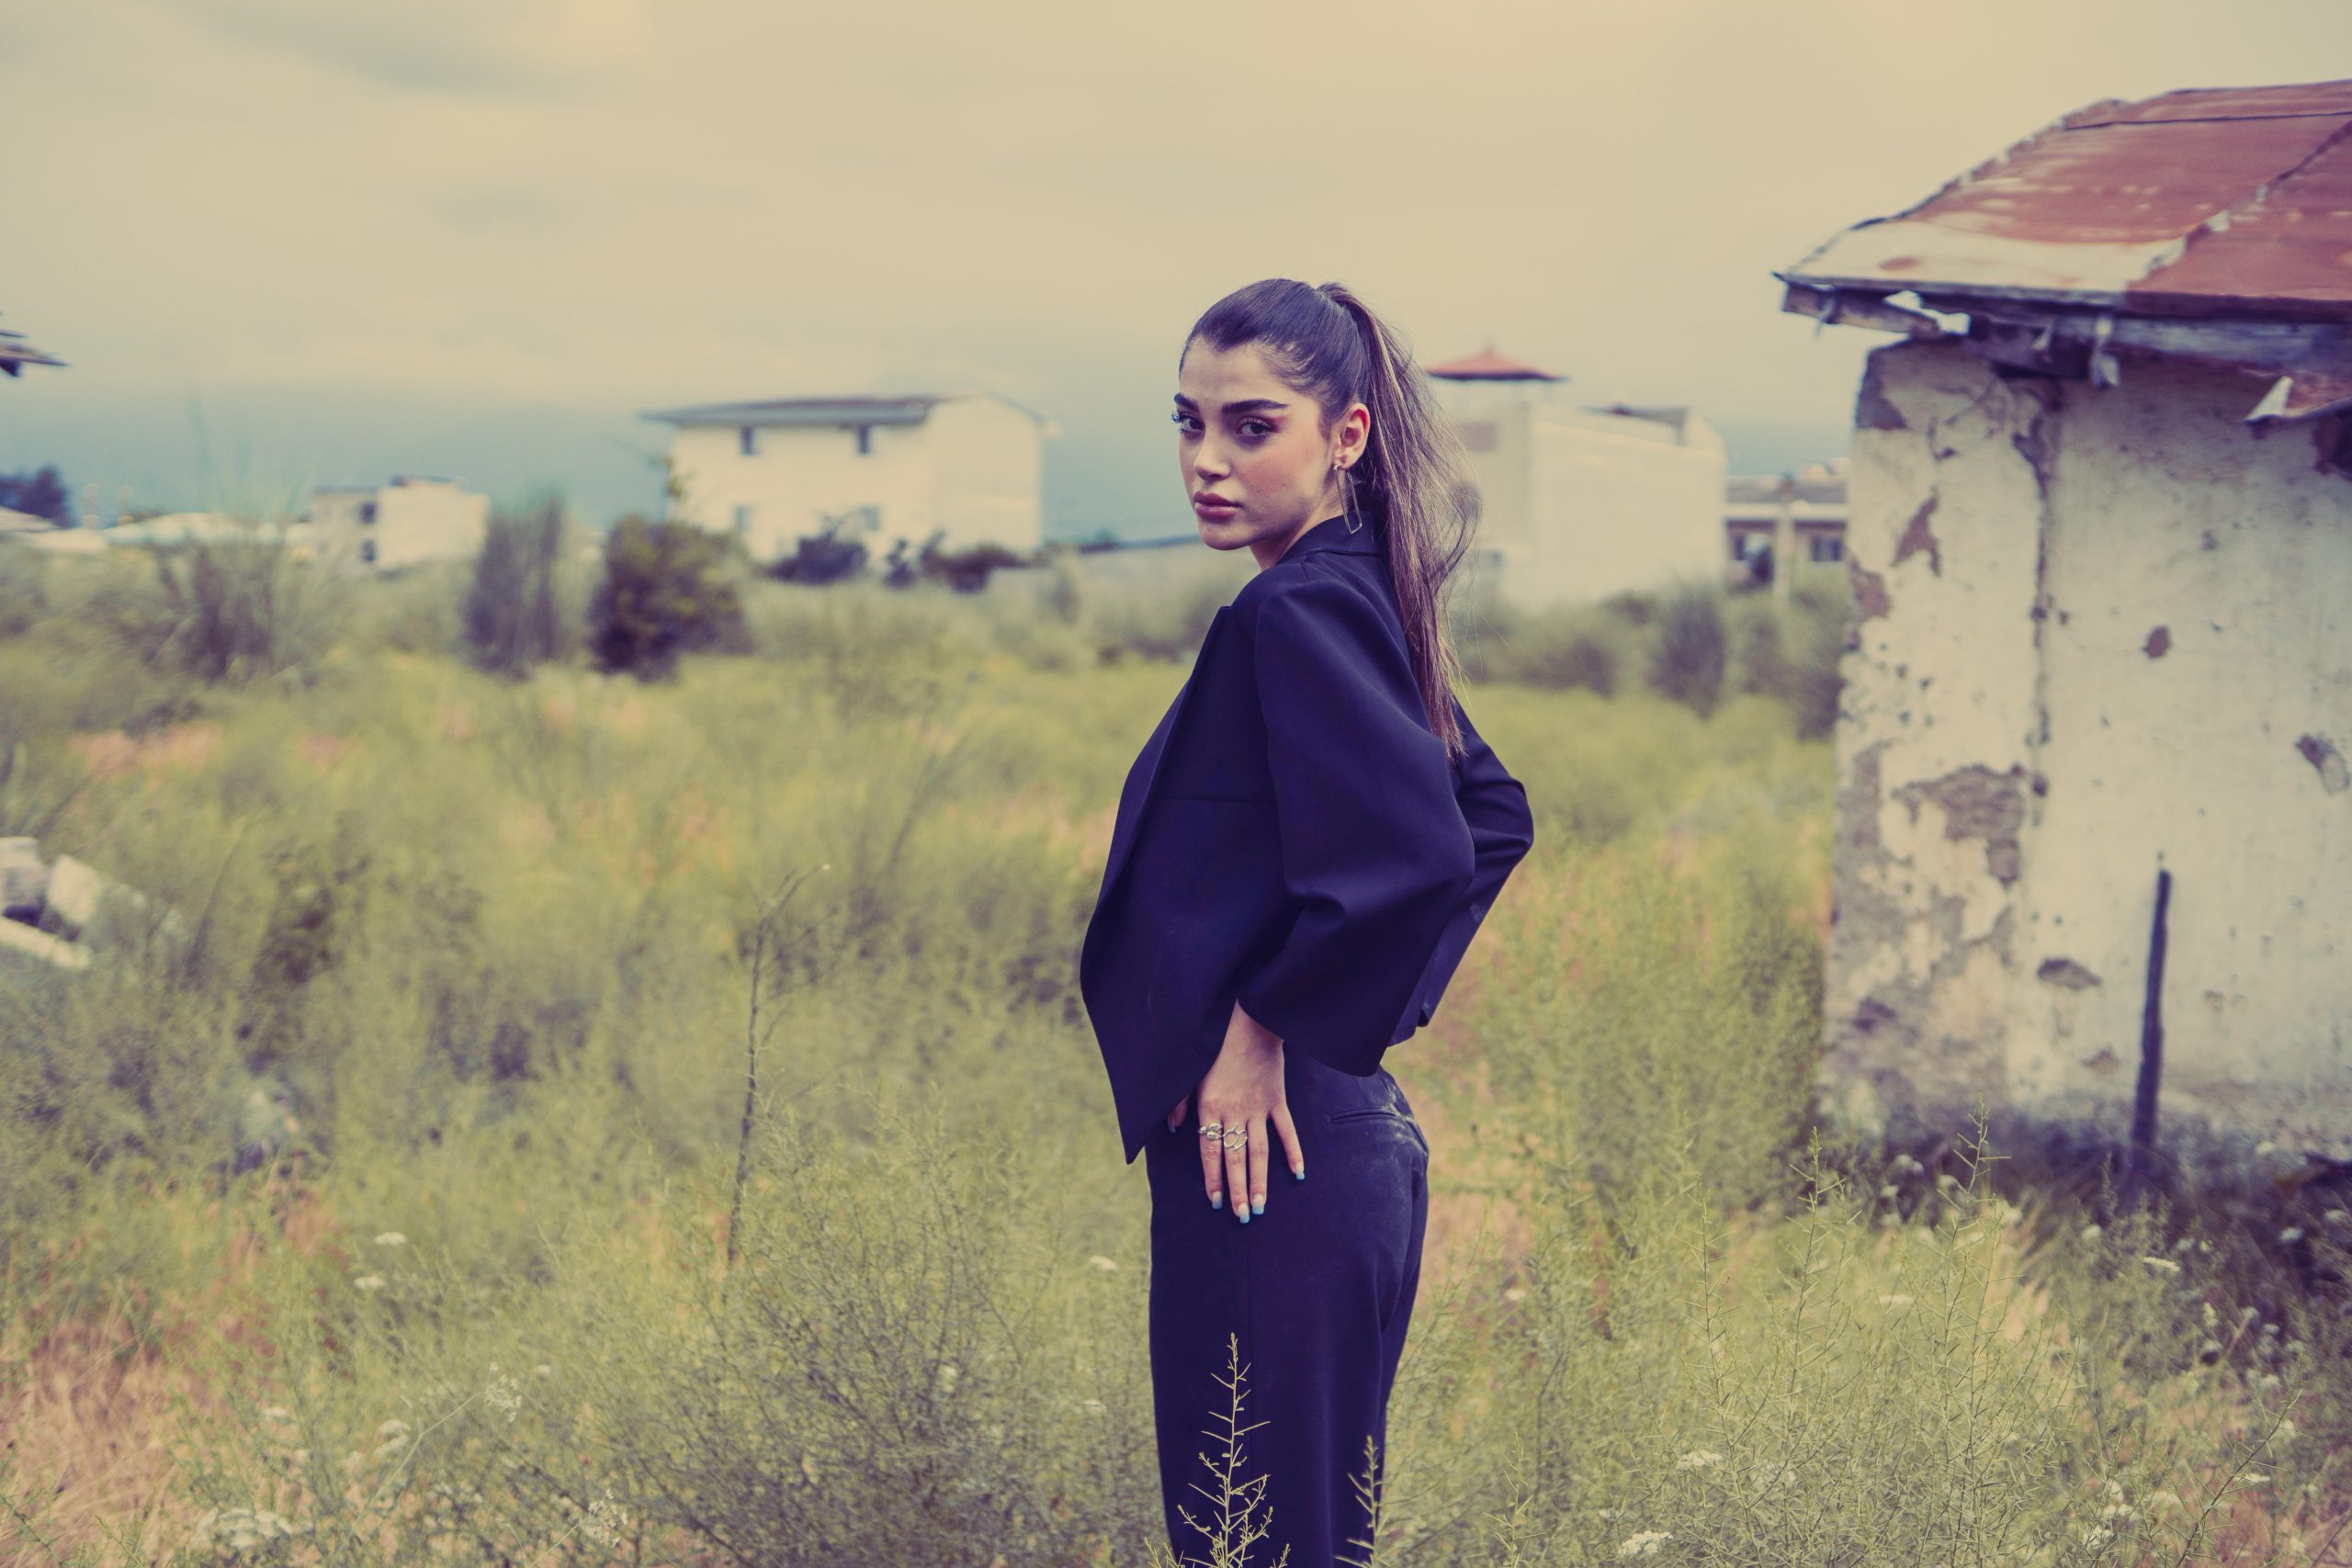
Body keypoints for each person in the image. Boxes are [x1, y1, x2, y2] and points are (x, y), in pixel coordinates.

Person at [1077, 277, 1537, 1566]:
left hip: (1273, 1156)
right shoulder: (1353, 588)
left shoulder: (1297, 607)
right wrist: (1339, 1028)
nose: (1207, 461)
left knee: (1255, 1548)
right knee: (1283, 1543)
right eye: (1189, 422)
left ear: (1346, 436)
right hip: (1319, 1145)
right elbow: (1488, 815)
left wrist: (1268, 1026)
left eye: (1252, 426)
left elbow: (1426, 851)